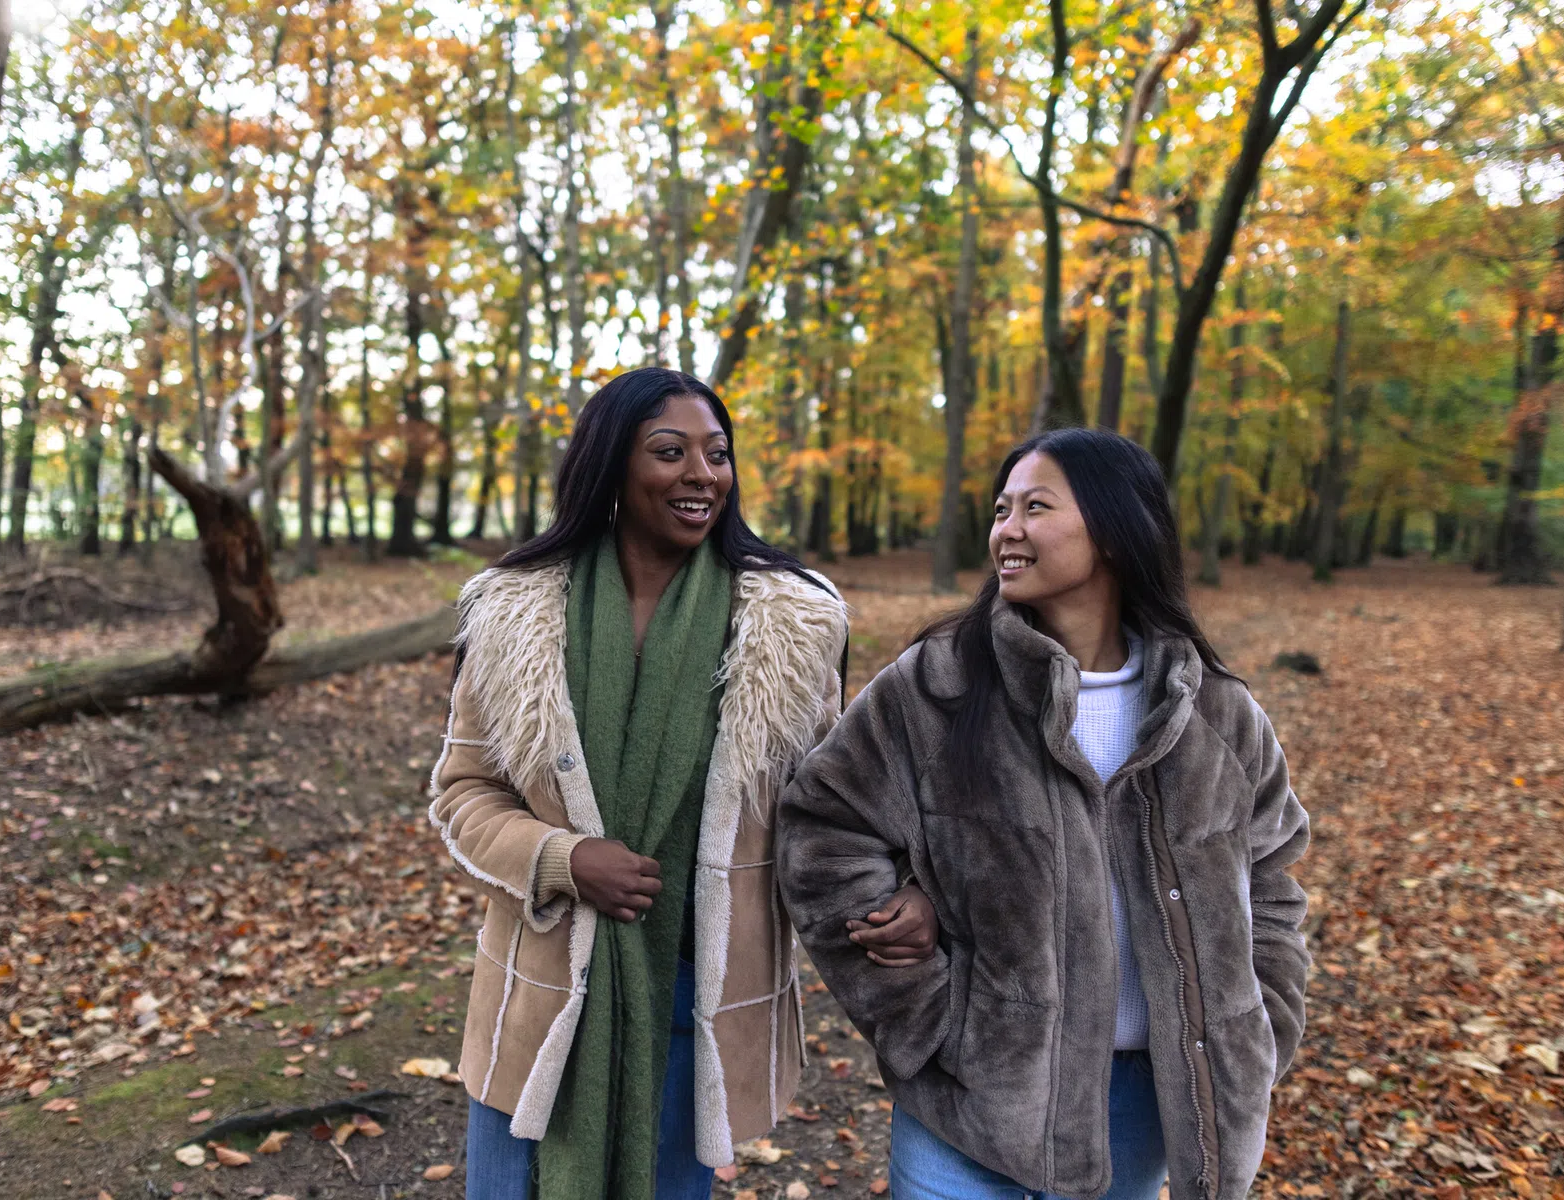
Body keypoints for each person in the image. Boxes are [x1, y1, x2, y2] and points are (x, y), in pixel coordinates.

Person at [776, 428, 1311, 1200]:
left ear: (1116, 528)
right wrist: (924, 1018)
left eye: (1035, 507)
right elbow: (823, 825)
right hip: (973, 1100)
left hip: (1142, 1106)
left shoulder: (1214, 712)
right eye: (1001, 510)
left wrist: (1256, 1026)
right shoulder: (936, 685)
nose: (1006, 530)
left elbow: (1269, 879)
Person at [430, 367, 848, 1200]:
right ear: (611, 468)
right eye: (670, 452)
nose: (702, 474)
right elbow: (463, 791)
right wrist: (561, 857)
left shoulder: (791, 626)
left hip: (700, 986)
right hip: (542, 985)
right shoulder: (515, 612)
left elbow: (831, 807)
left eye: (717, 454)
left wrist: (887, 899)